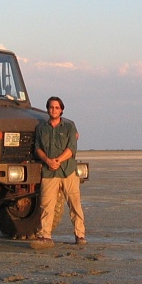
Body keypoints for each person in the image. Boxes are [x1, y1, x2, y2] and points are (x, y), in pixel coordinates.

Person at [30, 96, 86, 249]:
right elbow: (38, 148)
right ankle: (45, 236)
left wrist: (58, 160)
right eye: (51, 107)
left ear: (61, 110)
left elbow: (71, 148)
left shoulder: (69, 126)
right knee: (46, 205)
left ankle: (80, 235)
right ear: (48, 109)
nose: (53, 110)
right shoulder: (42, 128)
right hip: (49, 172)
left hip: (67, 171)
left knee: (74, 204)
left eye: (56, 107)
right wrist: (48, 161)